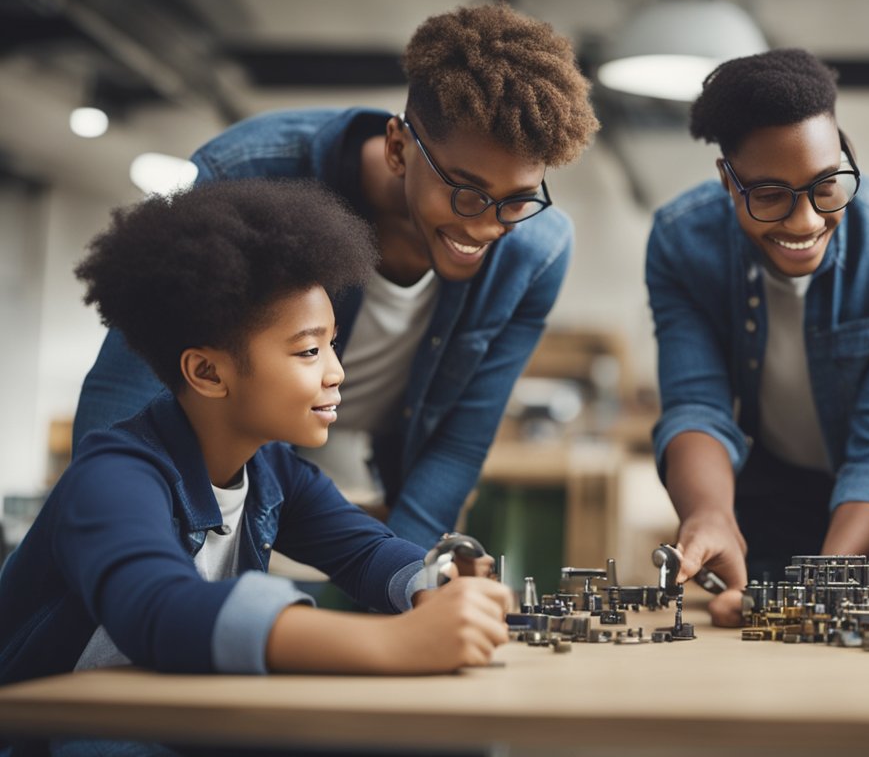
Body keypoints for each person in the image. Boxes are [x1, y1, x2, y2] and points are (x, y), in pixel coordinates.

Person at [71, 3, 600, 548]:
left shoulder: (535, 250)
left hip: (366, 481)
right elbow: (131, 385)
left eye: (516, 200)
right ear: (398, 147)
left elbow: (460, 440)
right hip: (226, 464)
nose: (489, 226)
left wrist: (407, 582)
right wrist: (106, 534)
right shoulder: (251, 176)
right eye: (466, 192)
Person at [0, 179, 512, 697]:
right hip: (52, 730)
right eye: (308, 352)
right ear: (208, 372)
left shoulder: (273, 470)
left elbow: (363, 551)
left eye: (331, 345)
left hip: (170, 710)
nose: (336, 372)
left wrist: (435, 587)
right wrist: (395, 644)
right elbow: (161, 610)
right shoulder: (113, 477)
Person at [645, 49, 869, 625]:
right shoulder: (682, 243)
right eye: (769, 195)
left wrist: (827, 583)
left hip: (865, 505)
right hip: (753, 496)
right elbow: (696, 406)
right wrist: (708, 515)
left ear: (844, 152)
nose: (806, 221)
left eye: (826, 185)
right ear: (728, 182)